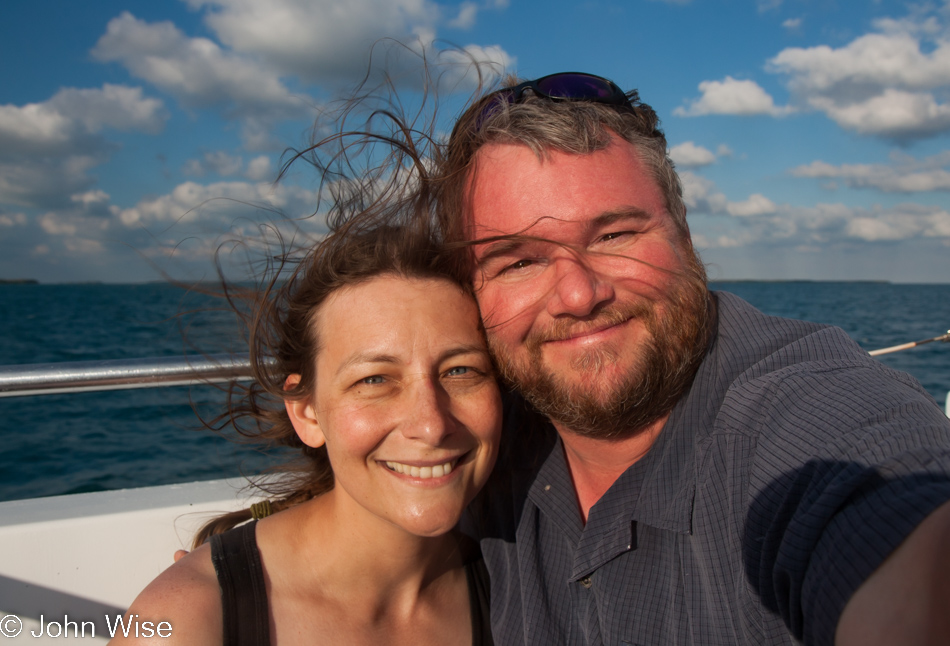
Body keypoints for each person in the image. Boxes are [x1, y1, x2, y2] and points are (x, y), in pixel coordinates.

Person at [437, 72, 950, 645]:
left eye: (614, 235)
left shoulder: (798, 416)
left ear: (682, 232)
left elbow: (890, 504)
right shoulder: (471, 446)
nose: (579, 296)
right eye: (518, 262)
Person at [112, 217, 501, 642]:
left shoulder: (516, 587)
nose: (431, 424)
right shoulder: (189, 621)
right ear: (307, 413)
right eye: (374, 380)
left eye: (461, 370)